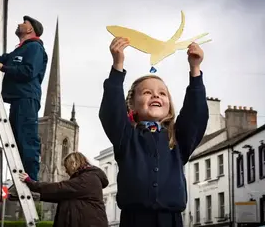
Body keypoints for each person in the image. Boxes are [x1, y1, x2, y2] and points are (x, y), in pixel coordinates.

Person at [99, 37, 209, 227]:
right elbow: (111, 111)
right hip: (134, 220)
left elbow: (196, 115)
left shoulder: (177, 139)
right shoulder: (126, 137)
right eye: (147, 92)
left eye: (162, 93)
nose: (156, 95)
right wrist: (117, 65)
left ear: (168, 105)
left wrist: (195, 69)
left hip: (171, 220)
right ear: (132, 105)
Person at [0, 16, 48, 199]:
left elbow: (28, 71)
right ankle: (21, 182)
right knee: (18, 142)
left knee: (27, 139)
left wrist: (2, 67)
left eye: (24, 23)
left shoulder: (35, 48)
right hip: (18, 99)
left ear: (30, 30)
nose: (19, 24)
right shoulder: (18, 51)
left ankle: (32, 183)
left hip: (27, 98)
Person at [19, 152, 109, 227]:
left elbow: (60, 188)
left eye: (66, 167)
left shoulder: (88, 178)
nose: (66, 171)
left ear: (73, 164)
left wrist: (32, 183)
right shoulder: (86, 178)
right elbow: (61, 195)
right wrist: (35, 195)